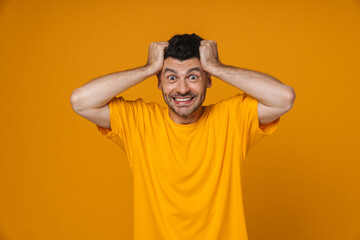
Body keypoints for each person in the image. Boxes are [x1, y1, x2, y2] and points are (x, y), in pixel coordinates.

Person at [70, 33, 295, 240]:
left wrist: (217, 67)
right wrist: (148, 68)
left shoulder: (232, 118)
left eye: (193, 76)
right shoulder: (139, 122)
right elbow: (80, 101)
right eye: (171, 77)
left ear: (208, 80)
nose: (183, 88)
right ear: (159, 82)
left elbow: (283, 98)